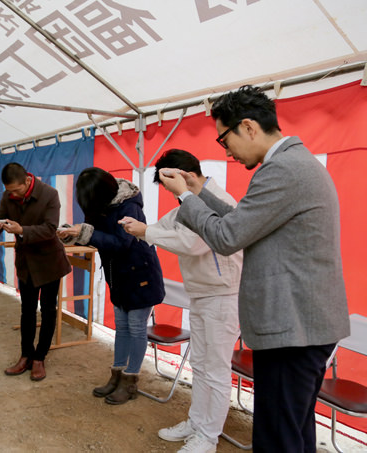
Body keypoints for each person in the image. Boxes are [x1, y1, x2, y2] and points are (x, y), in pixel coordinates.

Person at [159, 85, 350, 451]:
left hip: (292, 327)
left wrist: (184, 196)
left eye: (224, 138)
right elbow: (246, 223)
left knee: (276, 438)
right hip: (301, 326)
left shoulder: (283, 170)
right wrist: (200, 191)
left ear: (247, 126)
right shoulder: (292, 165)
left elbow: (228, 236)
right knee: (293, 432)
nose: (226, 150)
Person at [121, 149, 242, 453]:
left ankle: (208, 437)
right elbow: (167, 226)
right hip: (202, 294)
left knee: (214, 368)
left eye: (170, 185)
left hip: (223, 295)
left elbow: (191, 242)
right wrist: (142, 229)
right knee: (200, 364)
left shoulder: (217, 201)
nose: (172, 195)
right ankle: (197, 423)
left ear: (184, 176)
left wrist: (146, 231)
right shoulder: (186, 202)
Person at [57, 167, 165, 405]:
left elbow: (121, 243)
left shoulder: (130, 207)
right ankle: (116, 375)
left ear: (101, 194)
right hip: (119, 277)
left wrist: (85, 232)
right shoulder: (102, 205)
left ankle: (130, 380)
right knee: (122, 328)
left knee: (136, 329)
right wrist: (73, 233)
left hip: (141, 277)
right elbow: (96, 235)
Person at [0, 163, 71, 381]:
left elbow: (51, 229)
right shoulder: (8, 195)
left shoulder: (50, 194)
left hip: (50, 262)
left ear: (27, 181)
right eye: (9, 191)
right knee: (27, 310)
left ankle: (39, 358)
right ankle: (26, 355)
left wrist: (22, 230)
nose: (13, 194)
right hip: (26, 263)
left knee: (49, 310)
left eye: (16, 190)